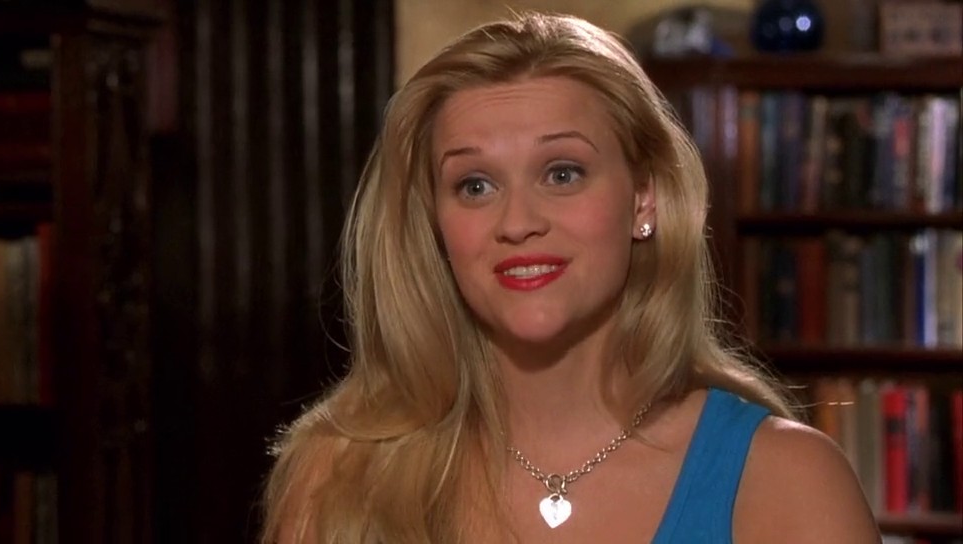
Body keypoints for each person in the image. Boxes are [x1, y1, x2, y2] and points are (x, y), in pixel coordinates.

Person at [259, 10, 880, 544]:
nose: (518, 223)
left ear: (643, 198)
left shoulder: (789, 483)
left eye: (562, 173)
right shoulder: (337, 477)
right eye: (475, 186)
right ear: (434, 224)